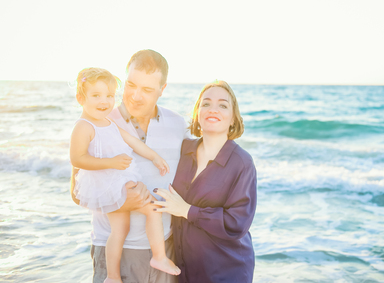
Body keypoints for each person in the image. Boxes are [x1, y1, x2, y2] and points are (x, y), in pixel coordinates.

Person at [70, 50, 189, 283]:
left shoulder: (177, 124)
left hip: (164, 247)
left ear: (162, 89)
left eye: (146, 90)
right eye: (131, 85)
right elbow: (77, 192)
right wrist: (123, 202)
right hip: (114, 249)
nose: (135, 96)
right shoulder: (99, 119)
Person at [152, 80, 257, 283]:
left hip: (226, 270)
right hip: (184, 269)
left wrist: (187, 210)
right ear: (197, 113)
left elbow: (237, 223)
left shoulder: (242, 163)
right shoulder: (183, 150)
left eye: (223, 105)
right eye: (206, 103)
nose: (213, 109)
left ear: (233, 119)